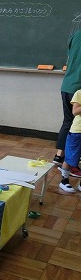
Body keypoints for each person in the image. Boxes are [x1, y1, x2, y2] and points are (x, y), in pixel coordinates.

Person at [55, 30, 81, 176]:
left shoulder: (76, 35)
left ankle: (59, 156)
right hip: (78, 88)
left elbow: (70, 57)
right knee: (77, 128)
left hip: (67, 85)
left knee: (68, 122)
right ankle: (71, 164)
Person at [58, 89, 81, 193]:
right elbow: (75, 111)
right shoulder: (79, 93)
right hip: (77, 132)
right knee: (70, 157)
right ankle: (64, 180)